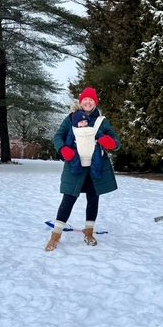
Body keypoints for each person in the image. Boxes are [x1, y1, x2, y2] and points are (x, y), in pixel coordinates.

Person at [45, 87, 121, 251]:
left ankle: (89, 232)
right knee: (68, 199)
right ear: (80, 102)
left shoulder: (101, 121)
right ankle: (55, 236)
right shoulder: (71, 118)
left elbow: (116, 141)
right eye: (85, 99)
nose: (88, 102)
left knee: (93, 199)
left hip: (96, 168)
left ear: (95, 103)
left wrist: (111, 143)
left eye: (91, 100)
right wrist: (63, 149)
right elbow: (58, 136)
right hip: (74, 166)